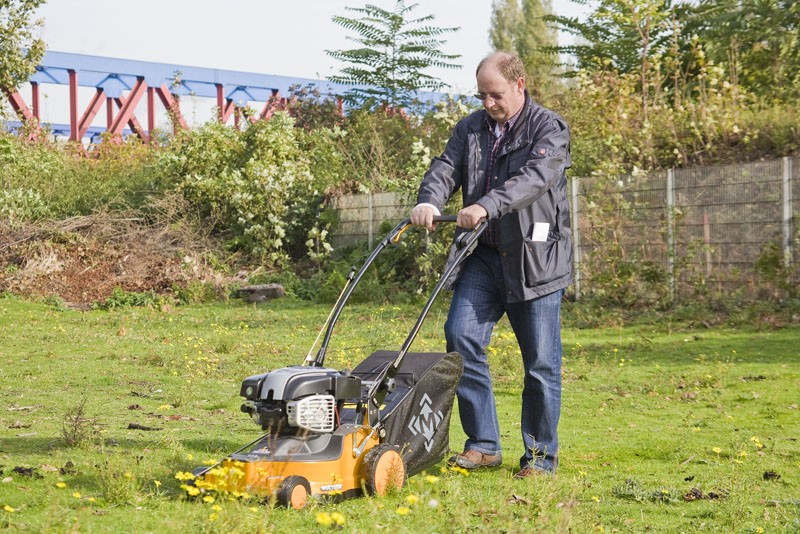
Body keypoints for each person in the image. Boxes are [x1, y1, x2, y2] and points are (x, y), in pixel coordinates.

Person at [410, 51, 572, 478]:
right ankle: (483, 444)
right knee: (460, 337)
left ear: (520, 85)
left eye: (495, 94)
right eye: (481, 95)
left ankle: (540, 458)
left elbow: (534, 179)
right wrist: (430, 199)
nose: (487, 103)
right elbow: (446, 167)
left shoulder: (548, 128)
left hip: (534, 261)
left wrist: (485, 205)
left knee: (539, 364)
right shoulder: (471, 128)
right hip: (482, 255)